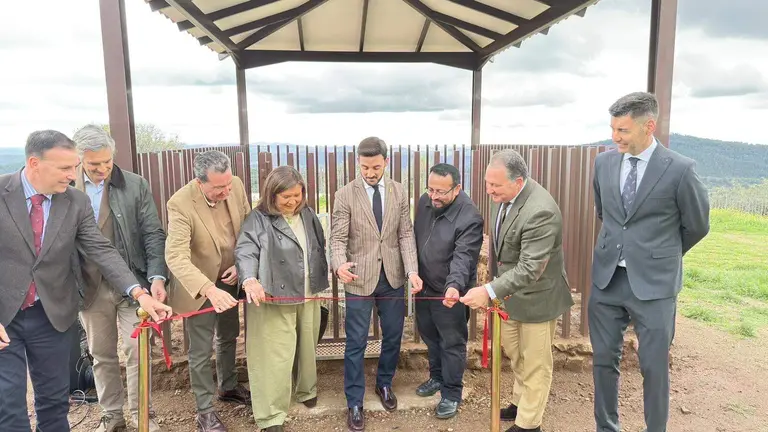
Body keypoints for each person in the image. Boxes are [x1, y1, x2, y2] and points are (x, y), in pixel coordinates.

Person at [0, 130, 171, 432]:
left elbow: (101, 249)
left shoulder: (74, 202)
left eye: (74, 166)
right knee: (9, 405)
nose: (72, 174)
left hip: (50, 316)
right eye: (65, 168)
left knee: (54, 402)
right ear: (34, 163)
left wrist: (139, 293)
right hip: (5, 317)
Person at [589, 92, 710, 432]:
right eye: (613, 129)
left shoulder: (681, 170)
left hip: (655, 286)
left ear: (649, 126)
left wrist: (660, 255)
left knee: (654, 366)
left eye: (623, 130)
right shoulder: (603, 163)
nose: (615, 137)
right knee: (602, 361)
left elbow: (697, 225)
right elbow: (605, 213)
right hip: (607, 280)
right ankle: (606, 427)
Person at [460, 149, 574, 432]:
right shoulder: (505, 197)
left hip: (538, 299)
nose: (489, 191)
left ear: (518, 182)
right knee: (517, 354)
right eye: (488, 183)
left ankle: (529, 424)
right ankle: (520, 402)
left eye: (495, 185)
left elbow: (530, 268)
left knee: (536, 363)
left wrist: (488, 290)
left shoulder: (541, 212)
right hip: (510, 296)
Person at [72, 125, 167, 431]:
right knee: (100, 353)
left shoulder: (135, 185)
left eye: (107, 163)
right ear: (79, 159)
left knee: (137, 349)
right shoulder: (68, 188)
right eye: (93, 164)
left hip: (134, 284)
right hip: (90, 288)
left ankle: (143, 416)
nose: (102, 170)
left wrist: (157, 277)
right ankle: (111, 416)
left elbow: (153, 233)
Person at [330, 137, 422, 432]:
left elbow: (405, 235)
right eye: (364, 166)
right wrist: (339, 264)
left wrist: (412, 272)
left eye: (375, 166)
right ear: (358, 162)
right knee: (355, 342)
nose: (369, 172)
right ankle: (354, 401)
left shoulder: (399, 191)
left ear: (386, 162)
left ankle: (384, 384)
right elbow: (337, 238)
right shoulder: (344, 194)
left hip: (393, 278)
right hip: (358, 278)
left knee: (393, 336)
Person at [235, 166, 329, 432]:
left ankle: (305, 390)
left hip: (308, 291)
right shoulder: (258, 218)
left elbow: (318, 246)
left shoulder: (308, 214)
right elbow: (245, 250)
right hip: (273, 294)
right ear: (271, 194)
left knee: (307, 344)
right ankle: (271, 414)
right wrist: (249, 279)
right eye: (286, 196)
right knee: (273, 355)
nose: (293, 201)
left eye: (297, 195)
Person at [165, 150, 252, 432]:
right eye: (218, 187)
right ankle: (204, 410)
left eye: (228, 184)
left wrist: (241, 263)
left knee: (229, 335)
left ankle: (228, 386)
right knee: (200, 350)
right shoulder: (179, 204)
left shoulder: (234, 185)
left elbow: (248, 226)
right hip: (199, 285)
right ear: (200, 181)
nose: (226, 191)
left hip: (229, 276)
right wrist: (207, 289)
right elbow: (176, 256)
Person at [413, 163, 483, 420]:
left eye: (441, 192)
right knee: (430, 336)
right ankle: (437, 377)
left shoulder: (470, 217)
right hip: (424, 287)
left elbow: (464, 258)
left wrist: (453, 287)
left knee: (452, 342)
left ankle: (452, 393)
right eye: (430, 189)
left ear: (457, 189)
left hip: (450, 292)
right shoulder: (425, 201)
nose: (434, 196)